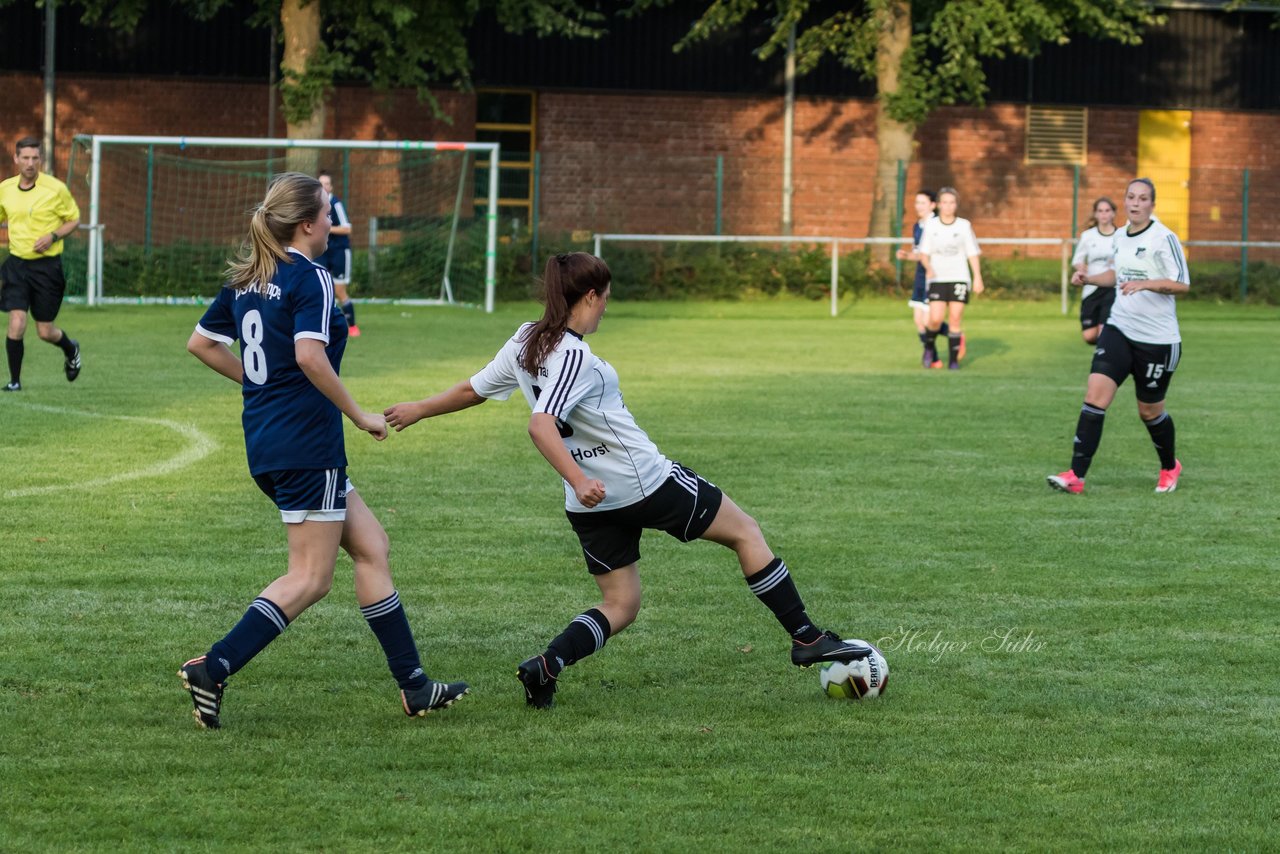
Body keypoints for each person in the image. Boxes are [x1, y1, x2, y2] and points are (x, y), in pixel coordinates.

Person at [383, 251, 873, 709]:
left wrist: (419, 409)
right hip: (643, 482)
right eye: (606, 300)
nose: (605, 311)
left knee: (621, 603)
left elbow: (475, 388)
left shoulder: (525, 339)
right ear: (590, 298)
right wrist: (577, 477)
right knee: (745, 532)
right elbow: (540, 423)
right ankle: (806, 637)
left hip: (594, 505)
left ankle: (548, 665)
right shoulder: (572, 353)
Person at [181, 172, 467, 729]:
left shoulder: (250, 275)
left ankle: (414, 686)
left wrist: (257, 383)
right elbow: (311, 357)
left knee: (372, 547)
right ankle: (213, 666)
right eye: (328, 211)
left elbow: (200, 343)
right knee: (311, 577)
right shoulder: (309, 275)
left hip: (268, 440)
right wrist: (358, 414)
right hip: (307, 445)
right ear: (312, 223)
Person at [1048, 178, 1188, 495]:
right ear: (1124, 201)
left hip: (1158, 340)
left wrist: (1147, 284)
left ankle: (1169, 466)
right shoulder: (1121, 237)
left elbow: (1182, 284)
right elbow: (1116, 274)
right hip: (1119, 328)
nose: (1135, 203)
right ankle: (1076, 476)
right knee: (1095, 396)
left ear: (1152, 204)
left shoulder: (1164, 238)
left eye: (1142, 198)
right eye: (1130, 197)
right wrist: (1089, 278)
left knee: (1149, 411)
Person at [0, 137, 82, 392]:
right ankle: (15, 382)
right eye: (25, 157)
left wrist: (53, 236)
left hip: (47, 269)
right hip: (17, 265)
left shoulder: (55, 189)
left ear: (41, 160)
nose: (30, 163)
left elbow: (73, 219)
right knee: (16, 321)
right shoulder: (5, 189)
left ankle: (71, 349)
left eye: (35, 158)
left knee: (45, 331)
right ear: (16, 159)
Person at [917, 187, 983, 370]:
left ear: (956, 205)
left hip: (959, 277)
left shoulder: (963, 225)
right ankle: (929, 348)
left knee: (955, 318)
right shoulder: (932, 225)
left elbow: (972, 253)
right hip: (937, 278)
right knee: (935, 319)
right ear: (938, 205)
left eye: (951, 202)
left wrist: (977, 277)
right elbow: (923, 253)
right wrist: (928, 267)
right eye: (944, 202)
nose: (948, 206)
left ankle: (953, 362)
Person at [895, 189, 949, 367]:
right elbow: (919, 253)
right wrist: (906, 255)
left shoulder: (937, 225)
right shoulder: (918, 225)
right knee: (918, 320)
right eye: (916, 202)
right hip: (920, 275)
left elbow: (935, 252)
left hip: (933, 275)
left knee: (929, 321)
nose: (918, 206)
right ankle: (933, 358)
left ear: (933, 205)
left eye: (922, 203)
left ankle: (954, 334)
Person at [1071, 197, 1119, 345]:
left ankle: (1106, 357)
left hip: (1112, 288)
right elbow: (1077, 260)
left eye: (1107, 210)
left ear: (1113, 213)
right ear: (1095, 214)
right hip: (1091, 288)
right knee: (1089, 336)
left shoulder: (1121, 236)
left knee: (1104, 330)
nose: (1104, 214)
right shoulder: (1088, 236)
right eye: (1100, 211)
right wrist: (1081, 267)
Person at [317, 170, 358, 336]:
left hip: (339, 251)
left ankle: (352, 326)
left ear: (331, 186)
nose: (323, 187)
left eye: (326, 184)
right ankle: (325, 326)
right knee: (320, 289)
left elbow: (347, 228)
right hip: (322, 251)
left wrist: (327, 227)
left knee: (339, 291)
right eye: (320, 184)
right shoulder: (315, 205)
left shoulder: (336, 204)